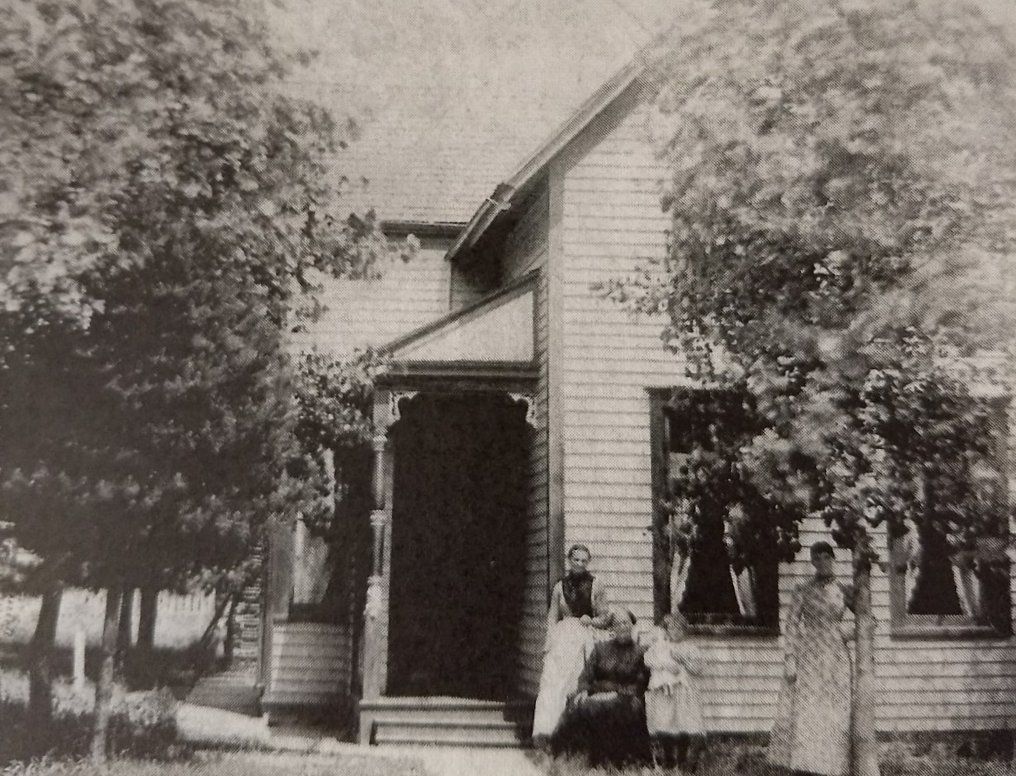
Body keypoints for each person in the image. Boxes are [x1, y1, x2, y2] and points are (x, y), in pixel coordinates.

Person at [768, 541, 853, 776]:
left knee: (834, 709)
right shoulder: (802, 590)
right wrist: (790, 658)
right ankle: (807, 765)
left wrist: (847, 632)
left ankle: (833, 766)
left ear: (833, 560)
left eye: (827, 557)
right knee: (810, 708)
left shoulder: (844, 590)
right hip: (810, 655)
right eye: (818, 558)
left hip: (836, 655)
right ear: (813, 562)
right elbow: (792, 624)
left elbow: (868, 620)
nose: (823, 562)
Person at [532, 543, 612, 748]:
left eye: (584, 560)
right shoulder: (560, 587)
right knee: (553, 683)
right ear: (569, 560)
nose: (580, 564)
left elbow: (605, 617)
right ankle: (547, 733)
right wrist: (548, 645)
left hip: (584, 637)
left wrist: (591, 620)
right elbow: (552, 618)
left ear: (588, 562)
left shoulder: (596, 585)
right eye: (576, 560)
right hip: (562, 639)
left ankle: (573, 737)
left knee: (576, 683)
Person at [561, 609, 650, 766]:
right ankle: (587, 755)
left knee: (610, 707)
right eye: (618, 624)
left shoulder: (640, 652)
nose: (622, 627)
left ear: (632, 625)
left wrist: (617, 692)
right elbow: (586, 674)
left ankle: (612, 758)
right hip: (598, 693)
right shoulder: (600, 648)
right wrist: (584, 690)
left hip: (627, 696)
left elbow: (641, 682)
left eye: (625, 623)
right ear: (612, 628)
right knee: (582, 703)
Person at [644, 611, 707, 771]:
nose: (675, 632)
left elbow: (698, 669)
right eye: (672, 628)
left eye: (679, 628)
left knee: (683, 723)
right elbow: (648, 660)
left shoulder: (690, 648)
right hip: (665, 692)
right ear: (667, 630)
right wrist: (664, 665)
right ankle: (668, 757)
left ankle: (683, 758)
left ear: (685, 630)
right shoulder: (661, 645)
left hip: (684, 692)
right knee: (665, 723)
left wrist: (683, 660)